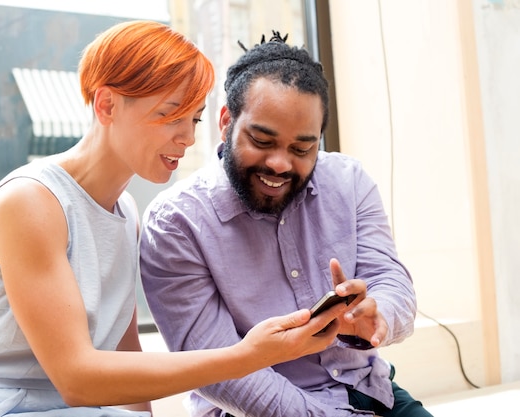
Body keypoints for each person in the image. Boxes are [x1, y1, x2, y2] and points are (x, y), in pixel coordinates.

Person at [0, 21, 350, 417]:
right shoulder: (30, 203)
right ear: (107, 104)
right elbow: (77, 378)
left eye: (194, 118)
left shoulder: (126, 213)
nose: (187, 137)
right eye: (170, 114)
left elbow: (124, 352)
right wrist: (250, 356)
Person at [140, 32, 434, 417]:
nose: (280, 164)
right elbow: (220, 373)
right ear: (226, 122)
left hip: (368, 390)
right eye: (262, 141)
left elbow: (391, 280)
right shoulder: (175, 223)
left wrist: (378, 316)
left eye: (301, 149)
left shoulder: (348, 181)